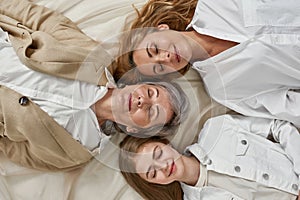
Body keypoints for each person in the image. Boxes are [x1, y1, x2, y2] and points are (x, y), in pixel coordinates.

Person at [0, 1, 189, 171]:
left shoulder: (75, 154)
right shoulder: (96, 57)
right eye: (150, 92)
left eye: (151, 112)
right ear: (137, 84)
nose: (143, 101)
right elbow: (43, 20)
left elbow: (10, 149)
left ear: (134, 129)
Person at [115, 0, 300, 127]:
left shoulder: (213, 5)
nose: (165, 58)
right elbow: (288, 107)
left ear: (161, 28)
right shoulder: (222, 88)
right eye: (159, 67)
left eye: (155, 49)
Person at [119, 114, 300, 200]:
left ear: (165, 142)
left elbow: (278, 127)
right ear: (154, 184)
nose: (163, 166)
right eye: (152, 173)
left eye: (158, 153)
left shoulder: (218, 129)